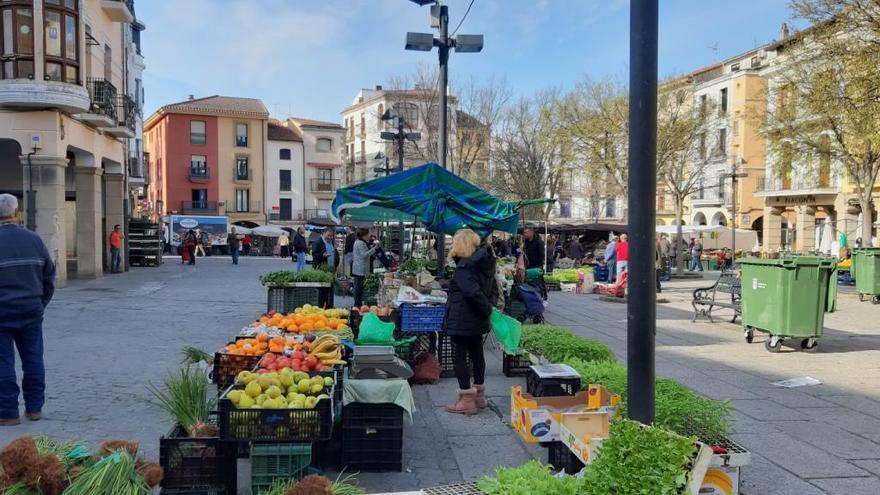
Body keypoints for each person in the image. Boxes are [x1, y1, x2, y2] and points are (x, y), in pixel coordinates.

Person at [0, 194, 54, 425]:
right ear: (16, 212)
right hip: (31, 309)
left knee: (3, 362)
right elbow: (49, 276)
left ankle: (8, 413)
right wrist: (40, 303)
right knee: (33, 359)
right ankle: (34, 409)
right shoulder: (34, 239)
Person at [444, 229, 496, 416]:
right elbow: (493, 290)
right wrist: (488, 308)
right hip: (477, 317)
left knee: (459, 356)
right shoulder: (485, 264)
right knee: (476, 353)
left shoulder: (466, 267)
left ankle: (466, 401)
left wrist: (487, 308)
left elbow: (472, 292)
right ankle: (479, 397)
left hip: (463, 317)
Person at [352, 228, 379, 308]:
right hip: (360, 268)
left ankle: (358, 303)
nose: (369, 236)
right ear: (364, 235)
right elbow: (364, 255)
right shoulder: (360, 243)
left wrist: (371, 247)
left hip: (359, 267)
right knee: (359, 287)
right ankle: (357, 304)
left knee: (358, 286)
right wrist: (374, 249)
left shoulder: (360, 242)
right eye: (368, 234)